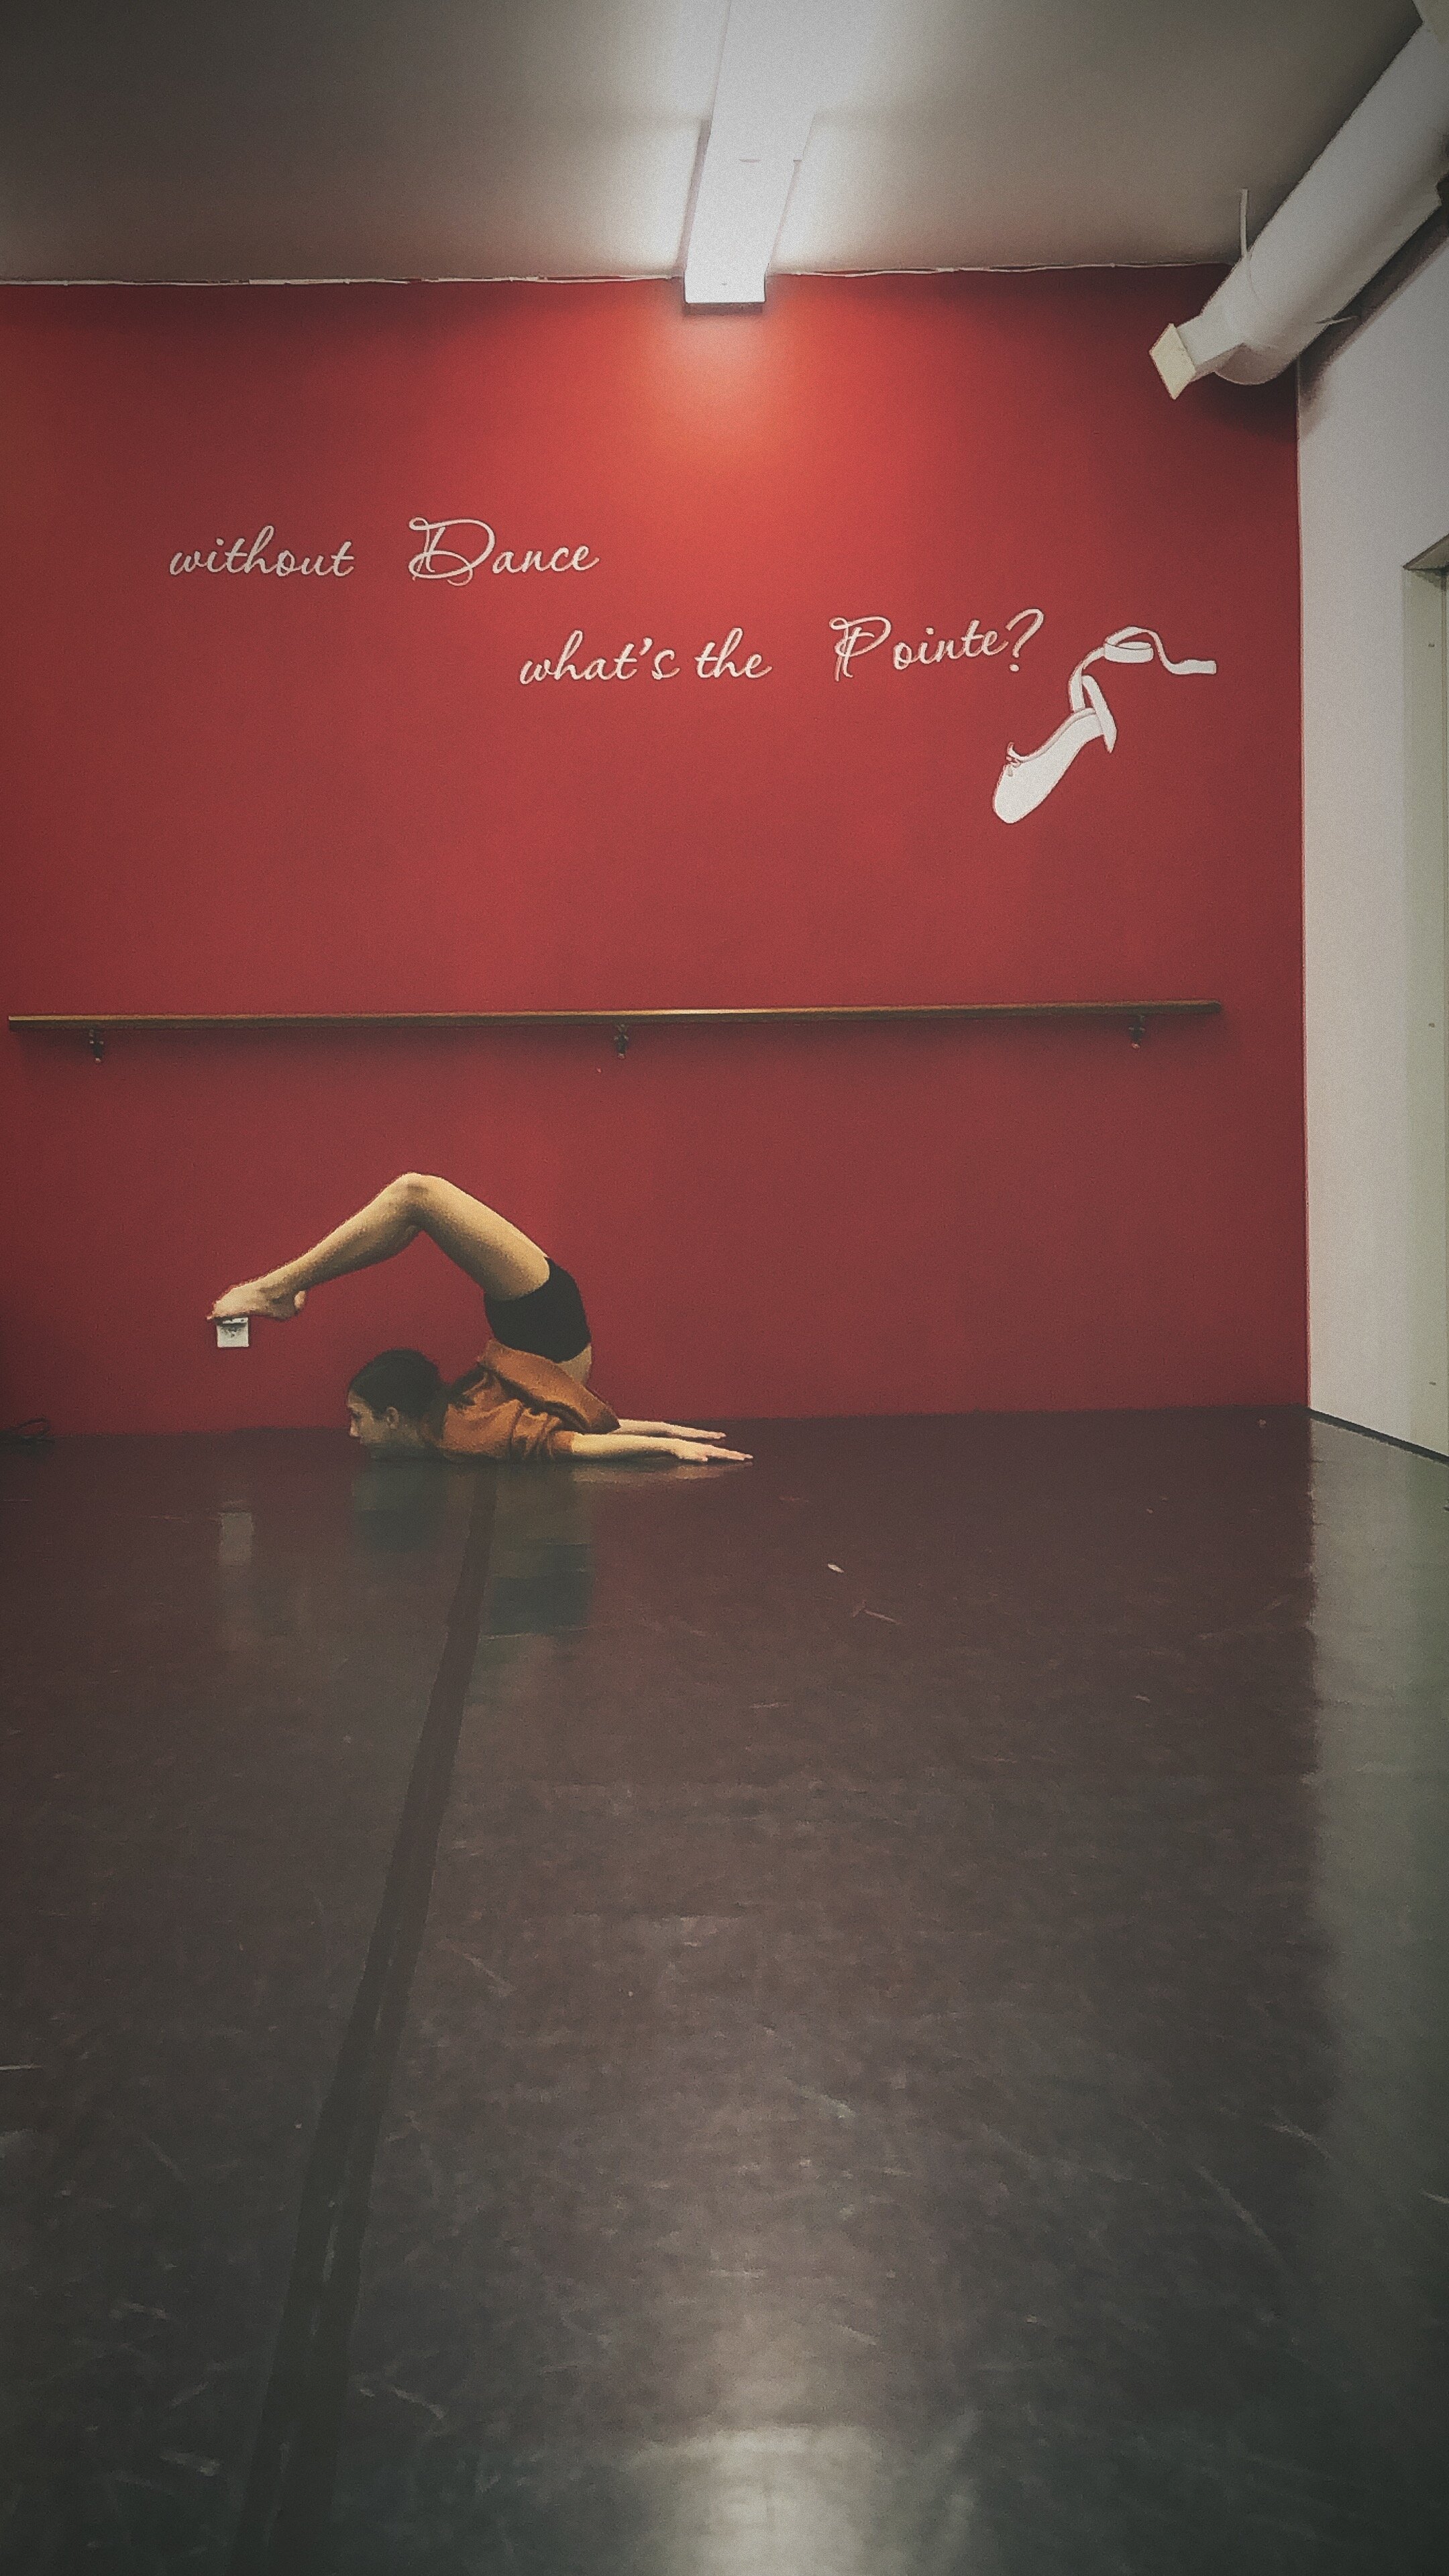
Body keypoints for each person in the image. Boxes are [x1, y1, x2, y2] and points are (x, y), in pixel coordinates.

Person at [209, 1172, 751, 1468]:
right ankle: (279, 1289)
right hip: (542, 1328)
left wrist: (666, 1430)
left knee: (413, 1209)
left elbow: (571, 1430)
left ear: (394, 1417)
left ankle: (281, 1289)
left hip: (535, 1330)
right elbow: (568, 1443)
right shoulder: (463, 1436)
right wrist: (667, 1445)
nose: (352, 1431)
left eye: (357, 1417)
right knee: (414, 1196)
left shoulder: (455, 1420)